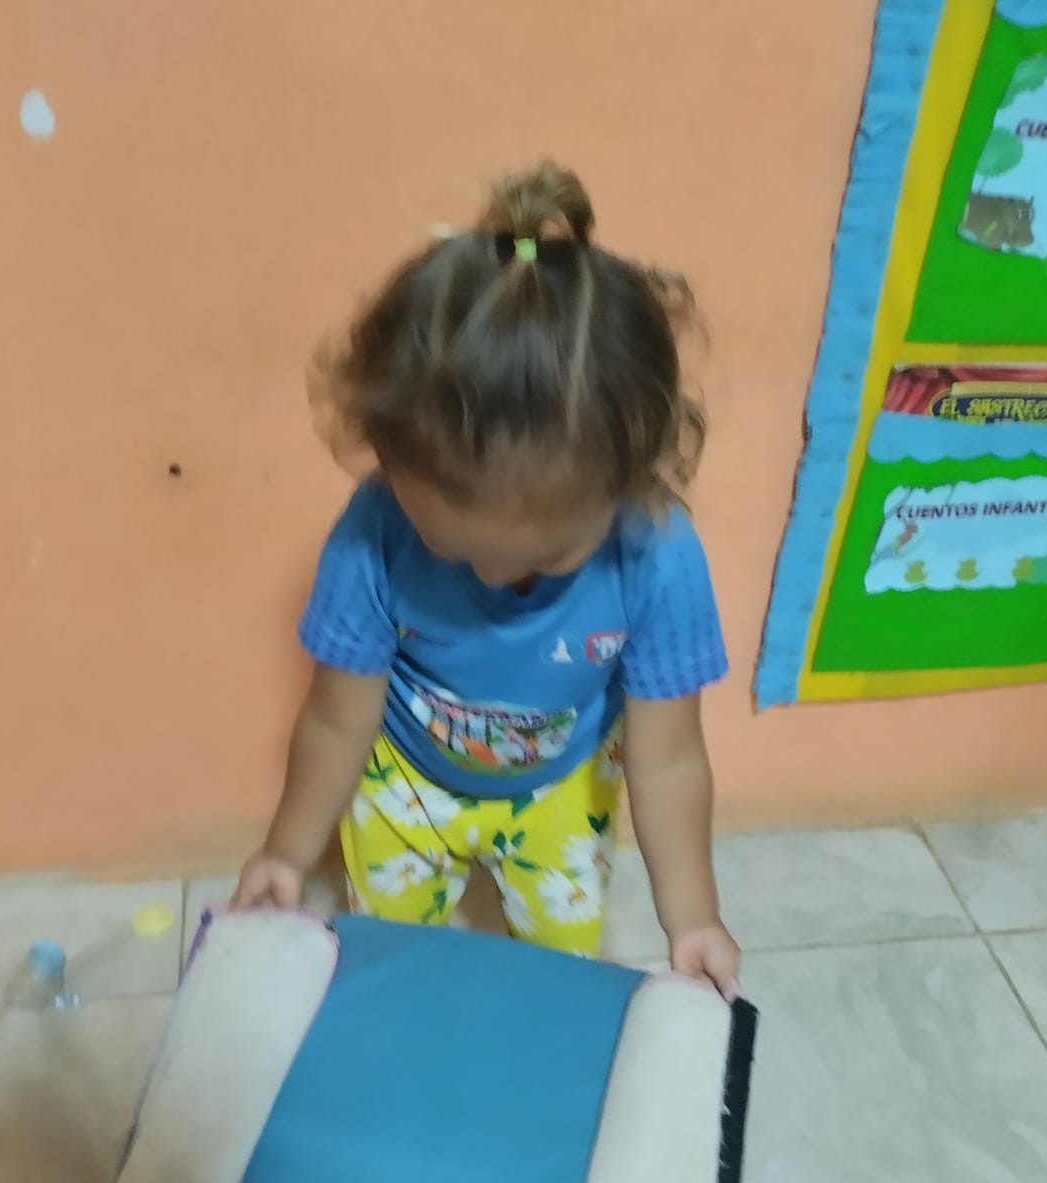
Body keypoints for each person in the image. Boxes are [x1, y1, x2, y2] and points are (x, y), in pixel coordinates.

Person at [232, 161, 739, 995]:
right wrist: (285, 854)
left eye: (546, 559)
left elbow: (670, 760)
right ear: (391, 466)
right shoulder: (372, 536)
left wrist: (693, 920)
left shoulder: (655, 553)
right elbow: (335, 720)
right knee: (386, 963)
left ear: (628, 487)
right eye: (455, 549)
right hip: (407, 781)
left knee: (557, 974)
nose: (496, 578)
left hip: (561, 786)